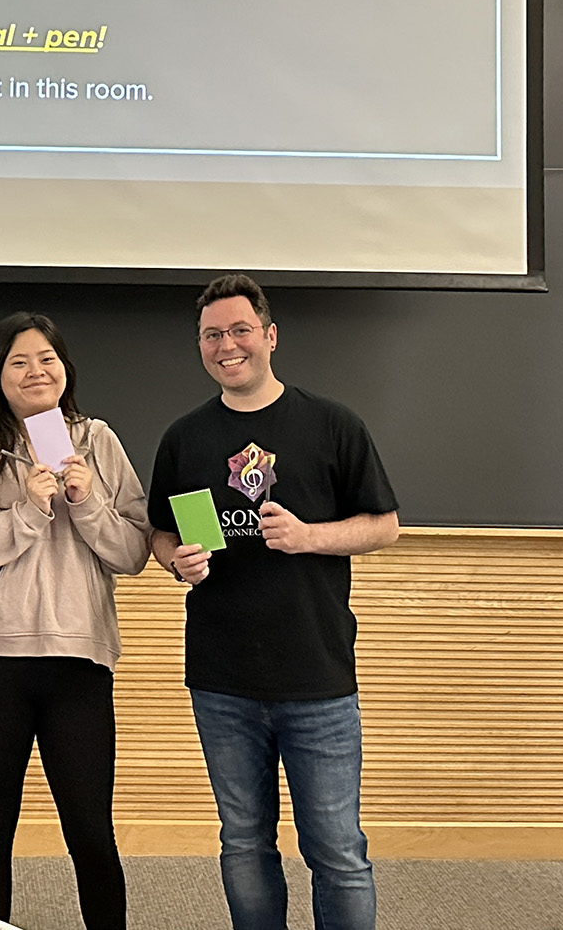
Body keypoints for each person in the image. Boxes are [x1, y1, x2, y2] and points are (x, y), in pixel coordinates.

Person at [147, 274, 400, 930]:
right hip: (221, 681)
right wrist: (176, 559)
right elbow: (161, 530)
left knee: (338, 852)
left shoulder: (332, 423)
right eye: (212, 335)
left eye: (239, 330)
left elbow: (385, 524)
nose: (226, 345)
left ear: (269, 337)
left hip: (316, 681)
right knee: (243, 844)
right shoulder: (185, 437)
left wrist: (311, 536)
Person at [0, 312, 151, 930]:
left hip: (77, 661)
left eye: (47, 359)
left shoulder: (98, 441)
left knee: (89, 826)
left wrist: (86, 503)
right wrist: (27, 510)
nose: (36, 371)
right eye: (19, 362)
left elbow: (132, 552)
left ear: (65, 369)